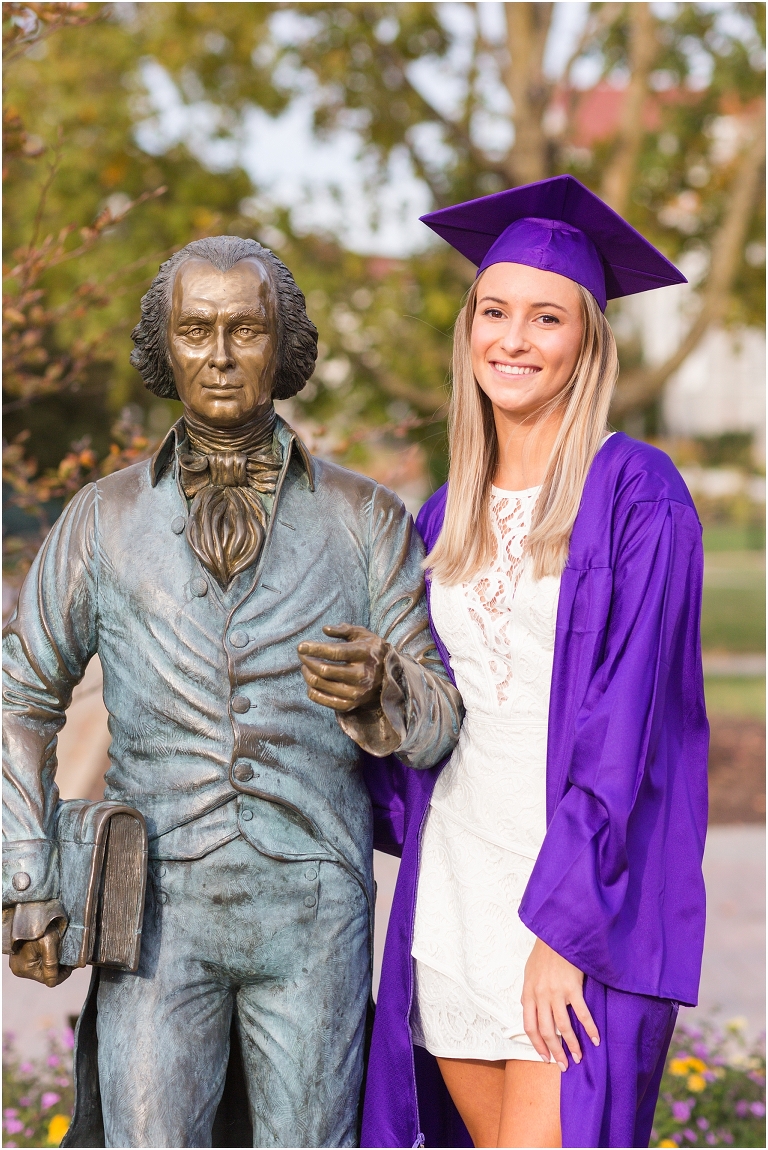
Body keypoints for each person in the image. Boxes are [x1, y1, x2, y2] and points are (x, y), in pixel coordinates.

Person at [2, 235, 462, 1148]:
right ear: (164, 348)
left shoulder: (366, 518)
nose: (219, 354)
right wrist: (28, 875)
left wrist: (384, 687)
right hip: (154, 912)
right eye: (196, 329)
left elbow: (440, 720)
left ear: (283, 347)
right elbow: (19, 697)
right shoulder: (104, 518)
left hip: (314, 912)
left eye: (245, 329)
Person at [356, 175, 709, 1149]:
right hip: (456, 900)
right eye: (495, 311)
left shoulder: (638, 492)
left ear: (588, 341)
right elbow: (424, 734)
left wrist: (565, 932)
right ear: (469, 327)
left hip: (575, 910)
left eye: (546, 317)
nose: (512, 339)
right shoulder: (442, 516)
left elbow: (627, 722)